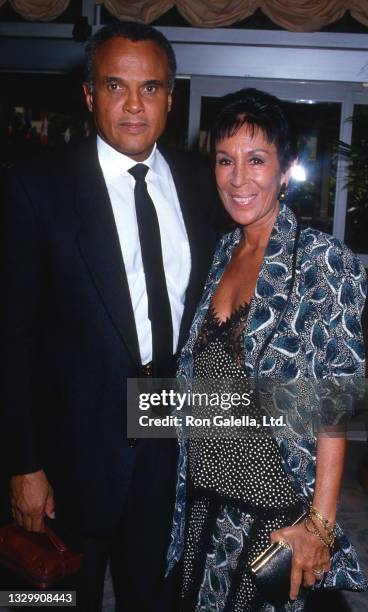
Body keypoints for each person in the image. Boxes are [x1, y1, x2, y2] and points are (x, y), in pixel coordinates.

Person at [3, 22, 218, 611]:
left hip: (171, 433)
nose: (132, 105)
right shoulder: (35, 188)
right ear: (90, 94)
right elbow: (12, 338)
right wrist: (23, 464)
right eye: (115, 86)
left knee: (153, 595)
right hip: (71, 447)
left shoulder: (202, 185)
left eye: (150, 89)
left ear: (170, 98)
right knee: (54, 598)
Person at [166, 88, 368, 611]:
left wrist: (319, 527)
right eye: (225, 160)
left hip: (275, 515)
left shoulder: (324, 261)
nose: (238, 178)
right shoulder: (221, 252)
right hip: (204, 506)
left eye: (256, 160)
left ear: (286, 169)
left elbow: (336, 406)